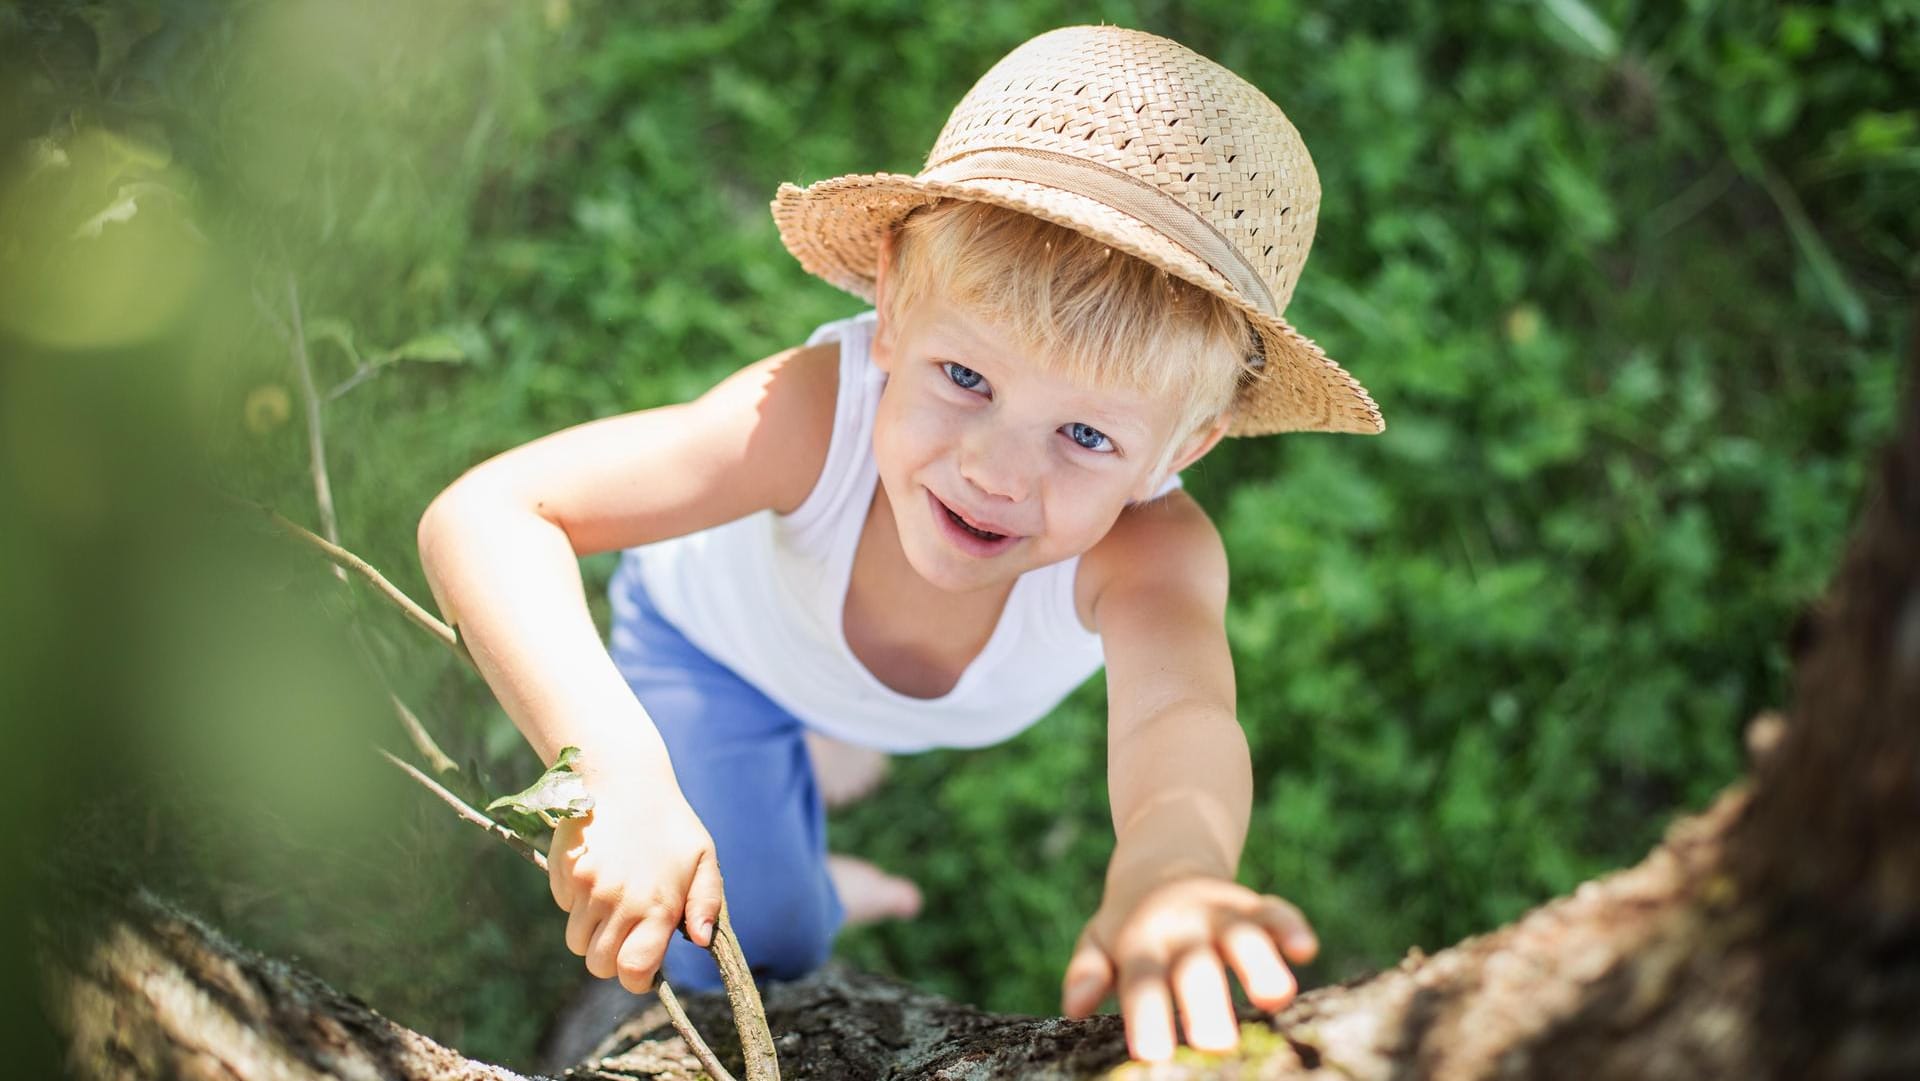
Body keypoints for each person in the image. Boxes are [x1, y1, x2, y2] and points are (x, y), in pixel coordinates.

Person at [416, 24, 1384, 1063]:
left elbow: (1181, 720)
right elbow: (490, 512)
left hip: (825, 660)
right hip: (717, 651)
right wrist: (614, 768)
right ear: (889, 316)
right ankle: (798, 864)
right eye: (966, 379)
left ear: (1182, 447)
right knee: (760, 935)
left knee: (797, 773)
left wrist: (1175, 870)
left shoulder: (1152, 554)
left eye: (1088, 435)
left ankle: (814, 774)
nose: (999, 474)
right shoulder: (812, 418)